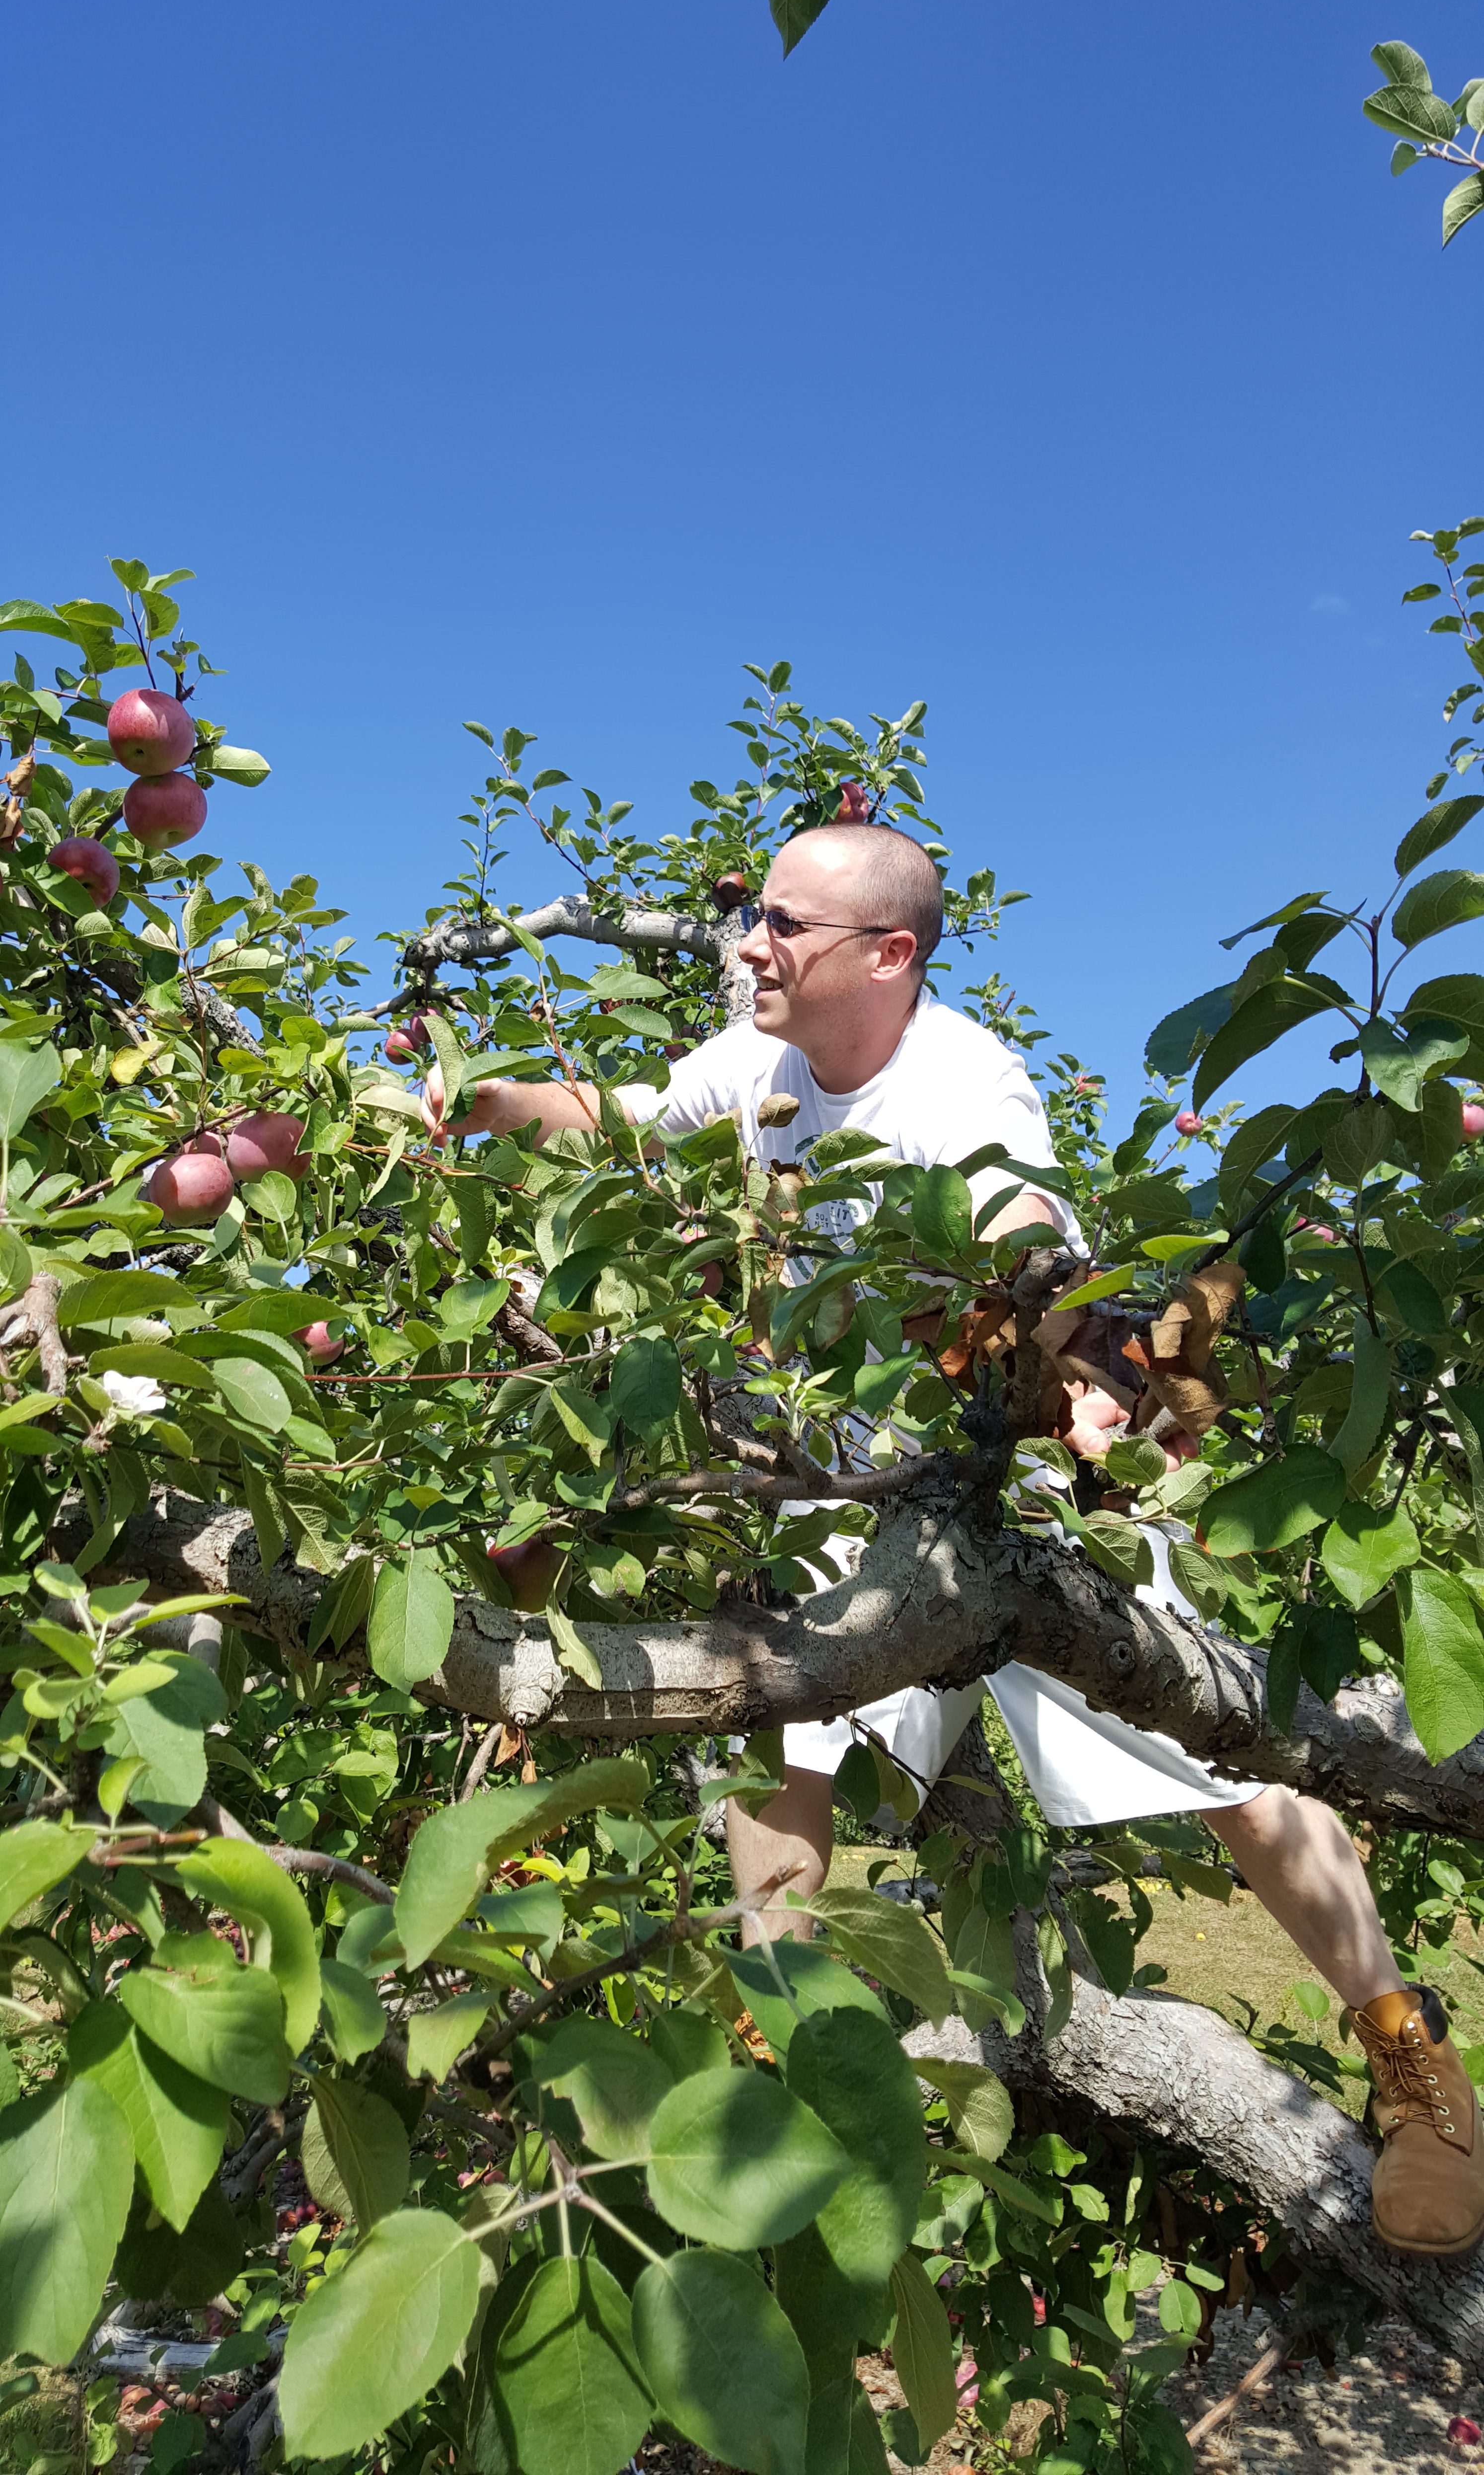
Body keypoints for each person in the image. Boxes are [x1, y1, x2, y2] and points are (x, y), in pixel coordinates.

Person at [427, 818, 1484, 2260]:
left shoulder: (962, 1083)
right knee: (770, 1744)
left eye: (781, 924)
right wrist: (477, 1098)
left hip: (1010, 1467)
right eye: (754, 915)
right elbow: (622, 1113)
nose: (746, 942)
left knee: (1219, 1759)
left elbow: (1023, 1233)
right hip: (830, 1480)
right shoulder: (753, 1061)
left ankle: (1411, 2068)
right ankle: (795, 2083)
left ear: (887, 954)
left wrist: (1080, 1363)